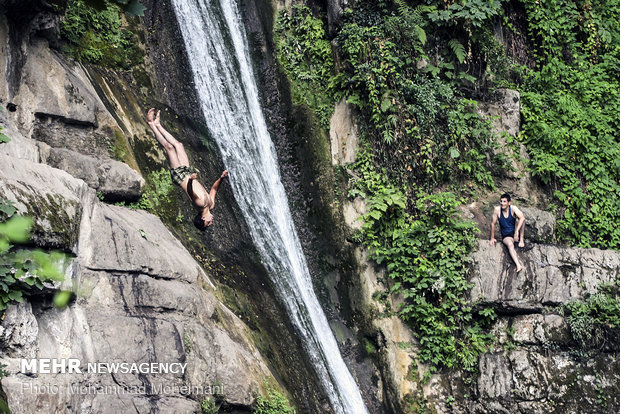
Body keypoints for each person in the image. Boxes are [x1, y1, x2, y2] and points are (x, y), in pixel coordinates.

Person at [146, 108, 228, 230]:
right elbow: (214, 189)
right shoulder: (211, 204)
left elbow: (190, 192)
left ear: (203, 219)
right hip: (187, 173)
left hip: (180, 177)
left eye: (208, 223)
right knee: (179, 145)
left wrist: (190, 180)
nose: (211, 222)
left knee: (170, 148)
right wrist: (221, 178)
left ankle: (151, 124)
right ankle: (158, 124)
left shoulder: (200, 204)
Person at [489, 193, 526, 272]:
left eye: (504, 201)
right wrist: (492, 238)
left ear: (509, 203)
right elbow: (493, 223)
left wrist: (517, 231)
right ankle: (518, 265)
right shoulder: (497, 210)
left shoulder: (513, 208)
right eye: (501, 201)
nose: (502, 203)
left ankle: (521, 239)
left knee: (522, 220)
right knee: (510, 244)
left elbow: (522, 217)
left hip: (515, 231)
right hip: (506, 235)